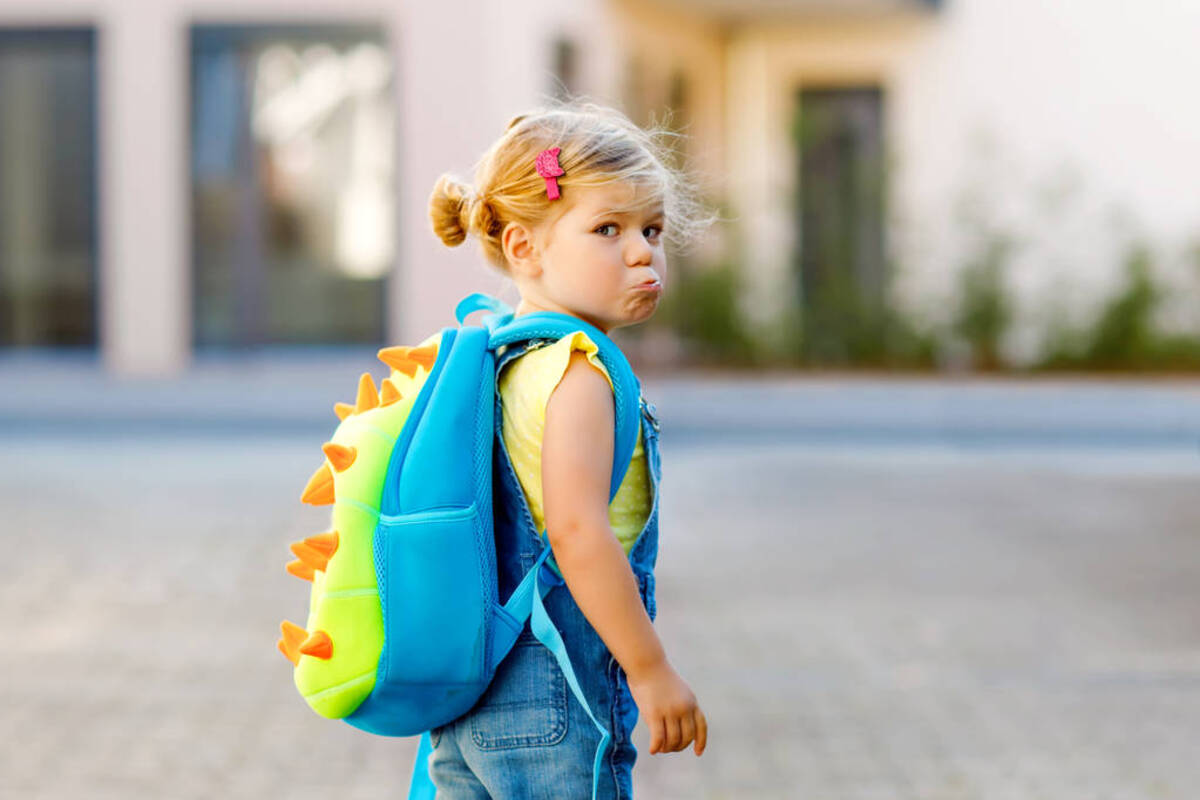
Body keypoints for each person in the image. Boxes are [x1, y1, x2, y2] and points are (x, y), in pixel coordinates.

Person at [425, 101, 713, 799]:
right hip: (554, 701)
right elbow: (578, 532)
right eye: (607, 229)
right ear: (524, 247)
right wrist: (649, 670)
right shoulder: (578, 371)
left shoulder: (500, 358)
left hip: (472, 699)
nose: (642, 250)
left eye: (652, 228)